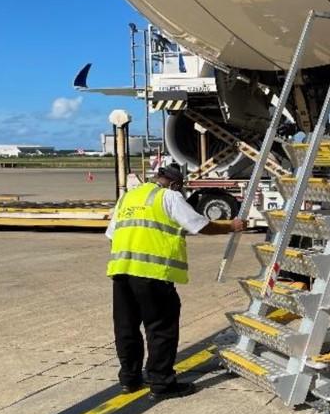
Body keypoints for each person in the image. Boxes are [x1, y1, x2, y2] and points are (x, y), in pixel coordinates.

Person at [105, 163, 245, 400]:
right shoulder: (168, 197)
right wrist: (231, 226)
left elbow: (111, 235)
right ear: (175, 183)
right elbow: (200, 225)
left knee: (126, 328)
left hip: (121, 272)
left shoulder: (127, 198)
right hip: (153, 274)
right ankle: (161, 384)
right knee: (160, 329)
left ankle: (129, 380)